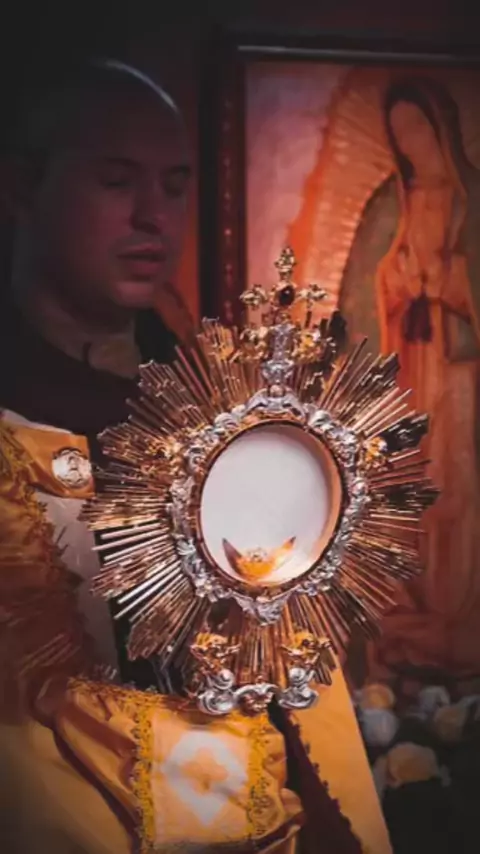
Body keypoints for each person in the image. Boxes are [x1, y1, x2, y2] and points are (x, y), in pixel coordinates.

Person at [0, 58, 391, 853]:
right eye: (117, 181)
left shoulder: (233, 418)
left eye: (175, 186)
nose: (154, 216)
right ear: (23, 187)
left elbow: (299, 690)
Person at [339, 77, 480, 691]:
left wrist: (452, 282)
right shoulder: (389, 204)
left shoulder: (473, 200)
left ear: (442, 127)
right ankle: (409, 611)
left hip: (461, 376)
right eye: (399, 134)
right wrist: (395, 283)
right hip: (406, 370)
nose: (410, 143)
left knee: (457, 485)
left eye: (417, 128)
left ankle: (457, 612)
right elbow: (359, 298)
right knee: (408, 486)